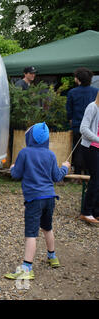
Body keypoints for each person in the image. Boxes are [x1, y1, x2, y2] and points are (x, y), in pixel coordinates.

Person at [4, 122, 70, 281]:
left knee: (31, 234)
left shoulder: (25, 153)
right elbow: (57, 176)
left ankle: (27, 268)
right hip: (50, 198)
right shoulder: (50, 155)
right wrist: (65, 167)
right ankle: (52, 256)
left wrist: (13, 167)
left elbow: (16, 174)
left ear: (30, 137)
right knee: (47, 228)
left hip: (34, 200)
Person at [66, 67, 99, 174]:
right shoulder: (96, 91)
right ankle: (89, 172)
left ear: (77, 79)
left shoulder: (72, 92)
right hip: (93, 126)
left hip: (77, 125)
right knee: (91, 148)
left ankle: (77, 173)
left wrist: (71, 120)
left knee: (77, 149)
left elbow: (69, 110)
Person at [78, 92, 99, 224]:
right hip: (90, 147)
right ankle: (86, 212)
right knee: (96, 178)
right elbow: (83, 129)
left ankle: (96, 212)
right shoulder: (93, 107)